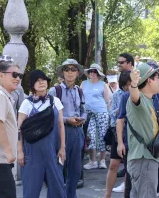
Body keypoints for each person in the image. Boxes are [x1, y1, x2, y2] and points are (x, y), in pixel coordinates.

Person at [17, 70, 66, 198]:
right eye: (37, 80)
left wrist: (62, 148)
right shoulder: (26, 103)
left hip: (52, 152)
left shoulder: (55, 101)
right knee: (31, 192)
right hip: (32, 154)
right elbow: (19, 129)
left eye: (43, 79)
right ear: (32, 85)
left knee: (58, 190)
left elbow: (61, 125)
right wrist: (20, 151)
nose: (41, 82)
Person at [126, 63, 159, 198]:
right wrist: (133, 84)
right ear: (149, 80)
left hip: (145, 159)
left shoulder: (149, 100)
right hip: (143, 159)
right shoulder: (139, 98)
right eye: (158, 77)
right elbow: (134, 96)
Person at [48, 59, 87, 196]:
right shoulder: (54, 91)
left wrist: (82, 119)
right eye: (67, 69)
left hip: (78, 132)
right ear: (63, 72)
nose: (70, 72)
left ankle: (71, 195)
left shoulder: (80, 91)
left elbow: (84, 110)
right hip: (61, 132)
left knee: (75, 170)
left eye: (73, 69)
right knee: (58, 167)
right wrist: (67, 119)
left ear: (77, 73)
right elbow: (49, 114)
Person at [0, 61, 20, 198]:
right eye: (14, 74)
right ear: (1, 75)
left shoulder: (3, 96)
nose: (18, 78)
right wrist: (8, 152)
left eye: (20, 75)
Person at [104, 72, 131, 198]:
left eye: (130, 84)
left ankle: (127, 193)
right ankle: (107, 194)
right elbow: (112, 114)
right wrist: (120, 110)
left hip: (132, 134)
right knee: (114, 164)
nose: (128, 87)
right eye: (125, 85)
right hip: (118, 132)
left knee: (129, 167)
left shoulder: (138, 94)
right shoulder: (117, 95)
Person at [82, 64, 111, 170]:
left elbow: (108, 101)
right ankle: (92, 161)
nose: (92, 73)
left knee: (102, 136)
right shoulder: (83, 83)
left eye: (95, 71)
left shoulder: (103, 84)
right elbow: (80, 99)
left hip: (101, 112)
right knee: (90, 136)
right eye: (90, 71)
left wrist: (109, 114)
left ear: (98, 74)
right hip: (88, 113)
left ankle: (102, 160)